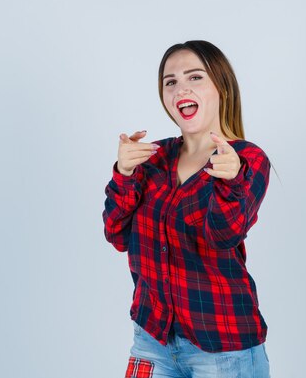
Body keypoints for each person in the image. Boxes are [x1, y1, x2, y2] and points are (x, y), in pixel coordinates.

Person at [102, 40, 272, 378]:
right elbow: (116, 234)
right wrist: (124, 174)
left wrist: (232, 182)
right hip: (153, 339)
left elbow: (223, 235)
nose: (181, 88)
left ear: (220, 87)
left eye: (195, 77)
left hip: (223, 350)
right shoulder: (152, 159)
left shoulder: (248, 160)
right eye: (171, 81)